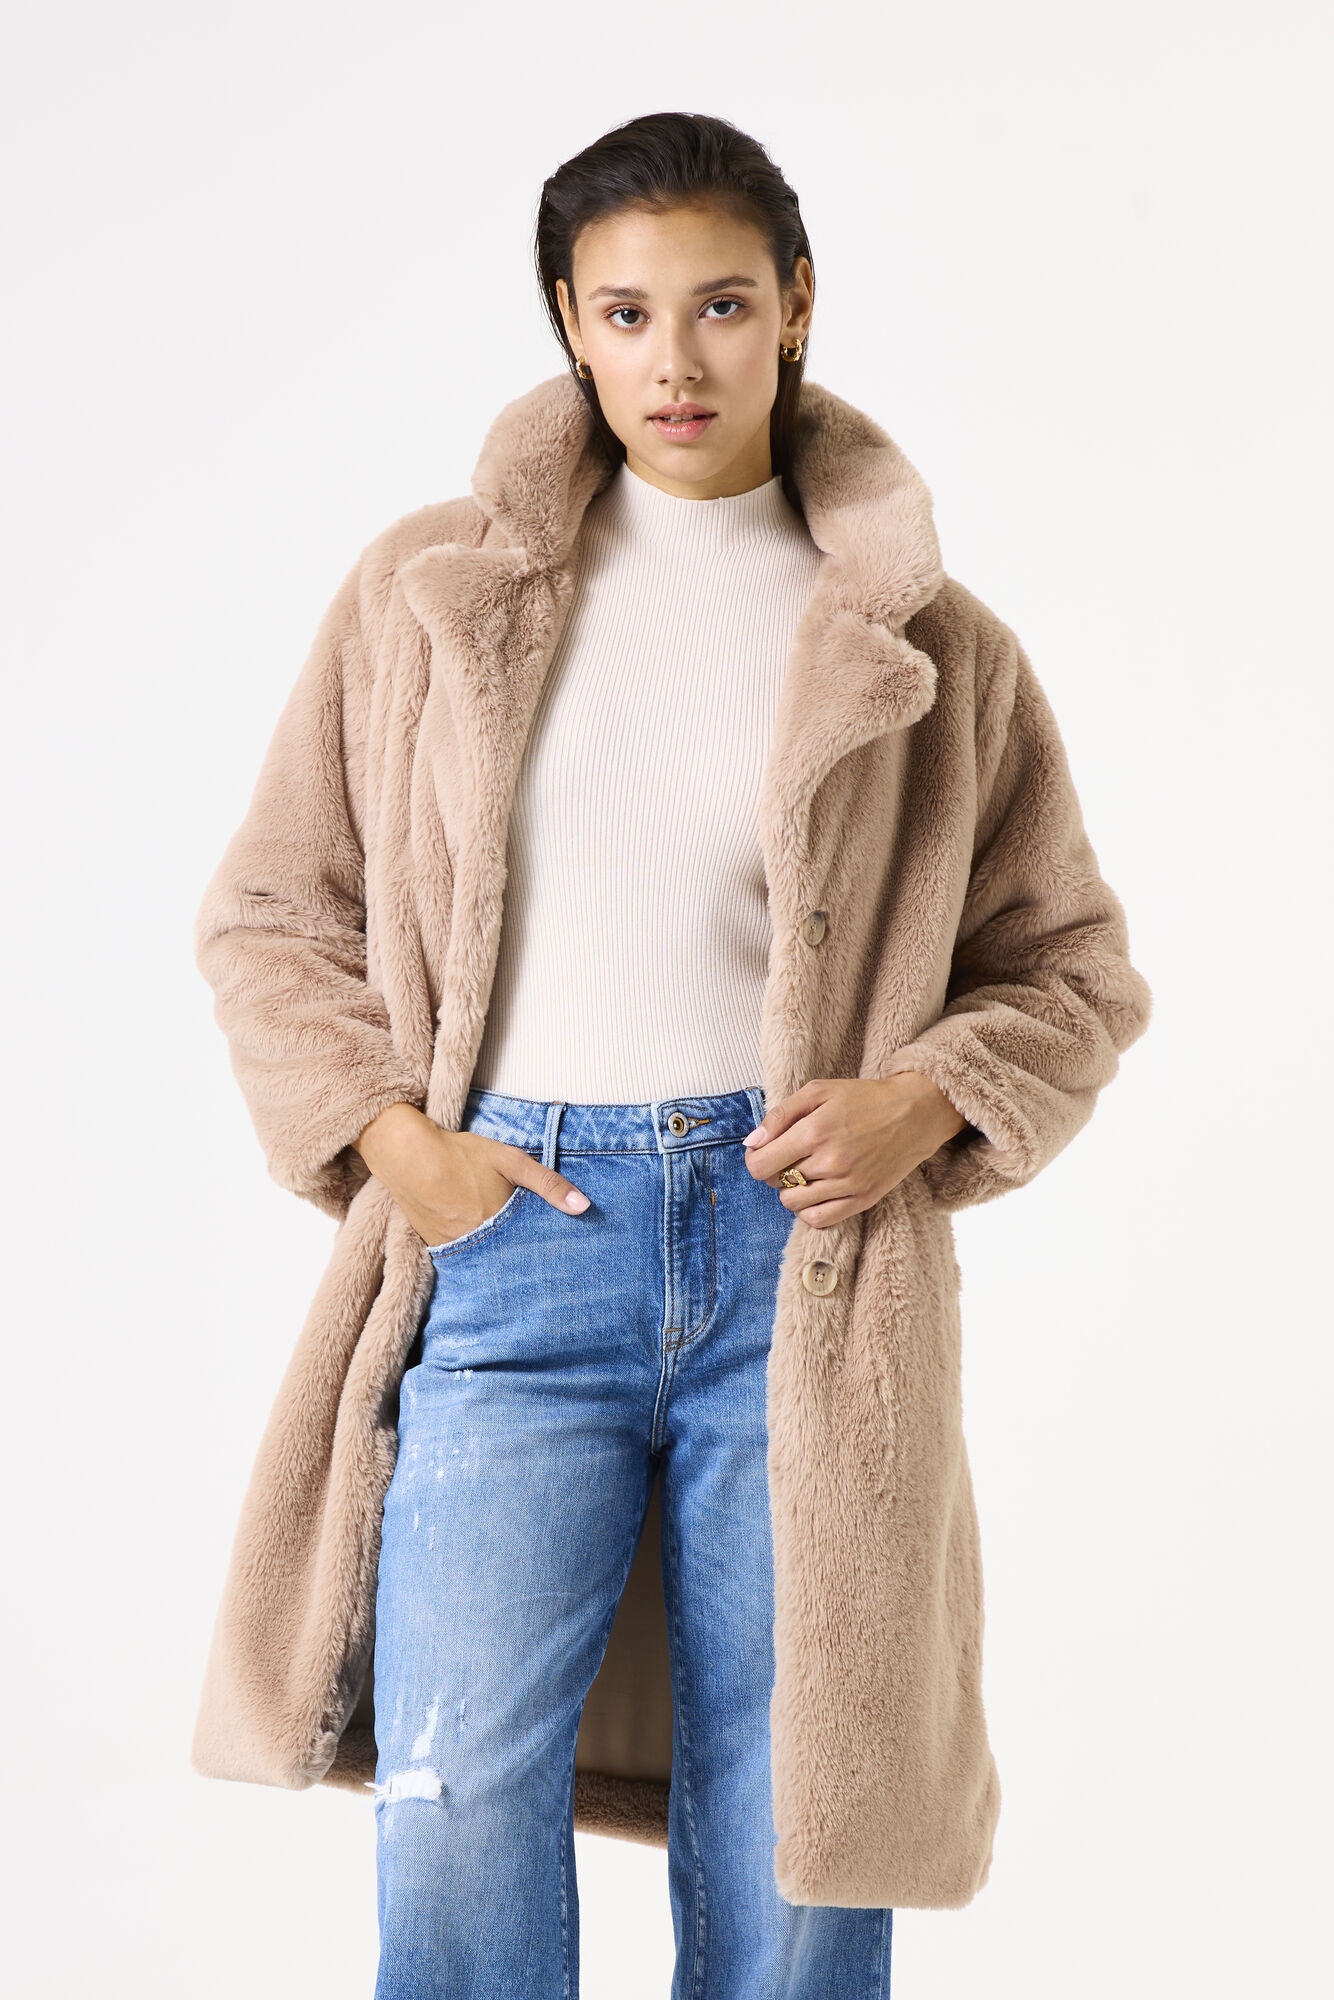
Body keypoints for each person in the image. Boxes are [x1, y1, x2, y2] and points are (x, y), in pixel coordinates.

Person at [191, 111, 1151, 2000]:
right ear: (570, 322)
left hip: (808, 1265)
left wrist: (928, 1099)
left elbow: (1071, 967)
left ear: (796, 304)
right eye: (624, 313)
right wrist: (393, 1139)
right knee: (457, 1789)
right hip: (506, 1243)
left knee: (793, 1798)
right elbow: (273, 913)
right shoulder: (425, 597)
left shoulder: (930, 648)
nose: (674, 358)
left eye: (719, 304)